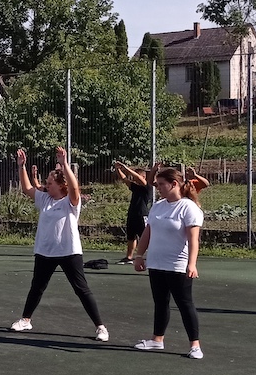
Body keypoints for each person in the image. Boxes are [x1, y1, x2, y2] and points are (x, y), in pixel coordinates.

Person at [10, 148, 108, 341]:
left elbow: (75, 188)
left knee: (81, 289)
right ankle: (26, 320)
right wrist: (21, 167)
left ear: (61, 185)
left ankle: (101, 327)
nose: (46, 185)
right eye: (46, 182)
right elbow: (27, 189)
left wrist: (64, 164)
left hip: (69, 252)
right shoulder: (44, 199)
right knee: (37, 287)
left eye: (50, 183)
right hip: (45, 252)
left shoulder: (71, 201)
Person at [132, 167, 205, 358]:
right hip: (156, 263)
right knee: (160, 302)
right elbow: (147, 232)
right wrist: (139, 255)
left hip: (178, 265)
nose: (157, 188)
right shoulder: (158, 206)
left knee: (185, 304)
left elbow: (193, 240)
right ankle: (157, 340)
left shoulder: (189, 207)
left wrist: (191, 264)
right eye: (157, 185)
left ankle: (195, 346)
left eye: (161, 184)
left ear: (174, 184)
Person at [115, 160, 156, 264]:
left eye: (136, 175)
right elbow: (124, 179)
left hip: (142, 215)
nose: (133, 178)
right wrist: (118, 169)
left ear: (143, 177)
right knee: (131, 236)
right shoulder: (135, 187)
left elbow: (137, 177)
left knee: (146, 237)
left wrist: (126, 168)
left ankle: (153, 255)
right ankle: (129, 257)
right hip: (132, 214)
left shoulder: (148, 187)